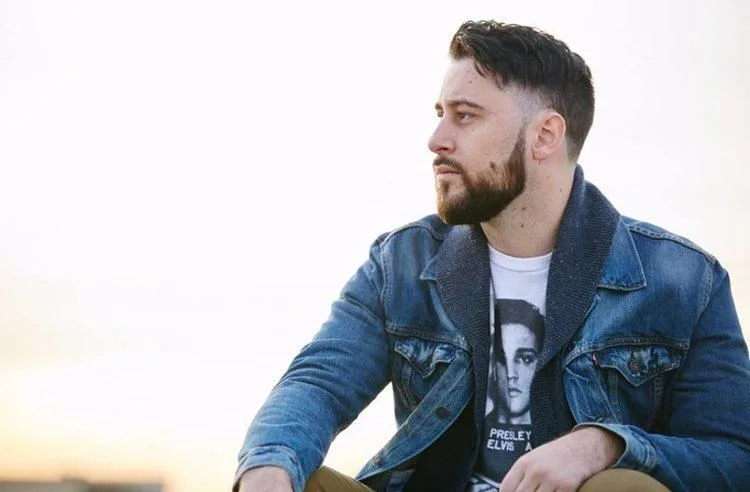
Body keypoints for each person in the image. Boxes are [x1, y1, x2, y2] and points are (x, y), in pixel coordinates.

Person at [235, 20, 750, 492]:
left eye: (465, 116)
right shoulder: (401, 264)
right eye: (441, 115)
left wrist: (607, 446)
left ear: (544, 136)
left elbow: (735, 457)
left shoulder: (684, 280)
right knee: (296, 476)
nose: (436, 140)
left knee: (622, 487)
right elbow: (319, 384)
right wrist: (267, 467)